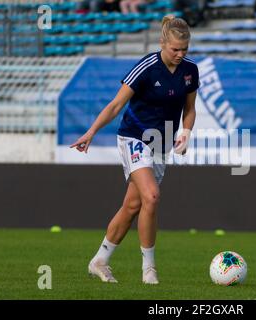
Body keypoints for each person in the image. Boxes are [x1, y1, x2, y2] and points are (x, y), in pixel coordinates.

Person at [70, 14, 199, 285]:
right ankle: (149, 270)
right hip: (134, 137)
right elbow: (117, 105)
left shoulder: (190, 70)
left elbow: (189, 109)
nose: (180, 54)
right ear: (163, 43)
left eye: (184, 49)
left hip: (162, 143)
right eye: (175, 49)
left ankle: (99, 261)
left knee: (132, 205)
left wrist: (185, 133)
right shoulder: (147, 67)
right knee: (152, 196)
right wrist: (91, 132)